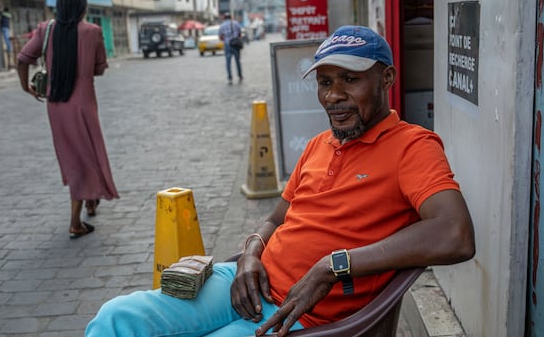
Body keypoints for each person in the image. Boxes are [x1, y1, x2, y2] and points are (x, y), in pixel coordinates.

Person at [85, 25, 475, 337]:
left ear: (386, 77)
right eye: (324, 82)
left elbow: (455, 234)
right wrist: (251, 255)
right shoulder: (318, 145)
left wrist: (332, 267)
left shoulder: (412, 146)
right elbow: (274, 221)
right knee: (116, 317)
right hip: (248, 284)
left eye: (350, 80)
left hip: (307, 314)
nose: (334, 95)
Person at [16, 0, 119, 239]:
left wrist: (25, 87)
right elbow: (99, 69)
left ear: (59, 7)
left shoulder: (45, 29)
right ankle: (75, 221)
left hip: (56, 104)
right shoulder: (92, 32)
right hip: (83, 103)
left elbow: (23, 59)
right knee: (87, 154)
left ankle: (91, 199)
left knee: (74, 156)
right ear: (83, 7)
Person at [218, 12, 243, 84]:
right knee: (237, 61)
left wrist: (226, 39)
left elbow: (220, 36)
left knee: (228, 62)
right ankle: (240, 75)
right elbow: (239, 34)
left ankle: (230, 77)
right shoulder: (236, 23)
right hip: (235, 45)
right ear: (231, 17)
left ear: (224, 18)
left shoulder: (222, 25)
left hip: (227, 45)